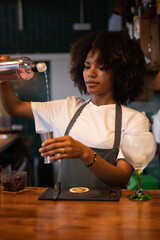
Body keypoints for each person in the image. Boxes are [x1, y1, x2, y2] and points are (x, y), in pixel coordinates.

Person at [0, 30, 150, 189]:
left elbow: (121, 178)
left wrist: (84, 153)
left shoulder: (135, 120)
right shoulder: (68, 107)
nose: (91, 73)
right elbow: (14, 107)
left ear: (119, 72)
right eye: (87, 66)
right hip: (65, 208)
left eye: (101, 67)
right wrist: (3, 79)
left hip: (108, 211)